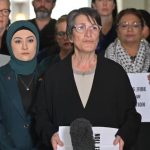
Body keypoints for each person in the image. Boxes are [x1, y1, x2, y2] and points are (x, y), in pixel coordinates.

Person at [34, 7, 141, 150]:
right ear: (70, 36)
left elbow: (132, 115)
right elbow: (40, 115)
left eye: (94, 27)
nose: (89, 33)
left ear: (99, 34)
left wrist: (124, 135)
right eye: (81, 27)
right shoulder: (53, 74)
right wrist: (50, 135)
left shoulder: (115, 72)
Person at [105, 8, 150, 150]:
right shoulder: (104, 58)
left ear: (142, 29)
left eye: (135, 25)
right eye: (124, 25)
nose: (129, 29)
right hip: (117, 124)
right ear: (117, 30)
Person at [0, 20, 41, 149]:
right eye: (18, 41)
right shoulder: (0, 76)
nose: (25, 47)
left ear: (37, 43)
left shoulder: (49, 75)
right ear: (9, 44)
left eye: (30, 40)